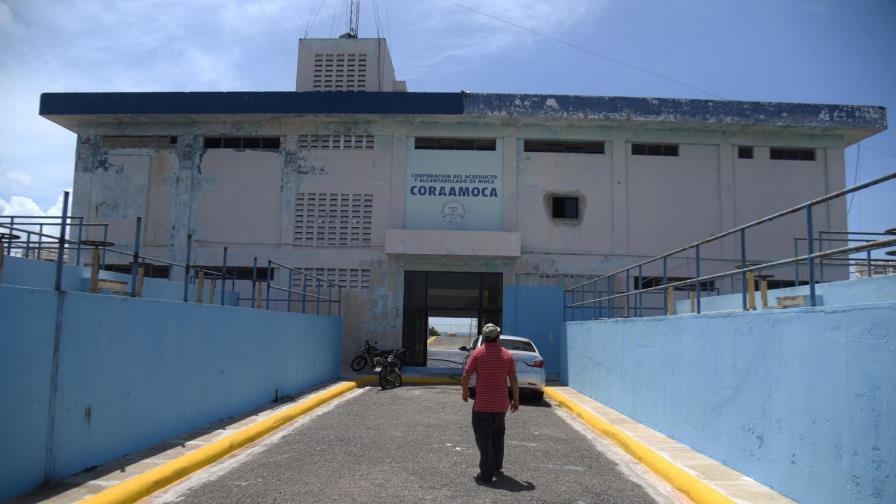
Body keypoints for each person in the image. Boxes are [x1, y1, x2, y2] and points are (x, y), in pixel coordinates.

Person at [461, 323, 519, 485]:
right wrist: (516, 399)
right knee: (498, 436)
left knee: (483, 439)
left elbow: (466, 375)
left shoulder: (477, 354)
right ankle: (496, 465)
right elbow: (513, 379)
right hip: (501, 405)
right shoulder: (507, 355)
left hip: (482, 405)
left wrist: (465, 391)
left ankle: (486, 474)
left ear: (484, 337)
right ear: (498, 337)